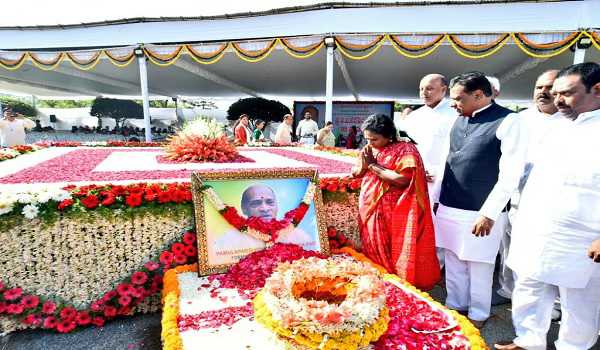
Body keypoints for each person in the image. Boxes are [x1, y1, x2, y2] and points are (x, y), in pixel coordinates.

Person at [495, 62, 600, 350]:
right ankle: (529, 340)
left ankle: (573, 347)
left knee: (578, 302)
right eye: (556, 94)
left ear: (597, 90)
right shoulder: (555, 127)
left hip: (582, 237)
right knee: (529, 288)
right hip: (537, 229)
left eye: (567, 93)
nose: (558, 101)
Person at [431, 71, 525, 328]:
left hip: (481, 210)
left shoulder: (509, 121)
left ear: (479, 95)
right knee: (453, 260)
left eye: (458, 99)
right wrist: (436, 198)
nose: (453, 104)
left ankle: (479, 314)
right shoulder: (457, 119)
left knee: (479, 265)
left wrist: (490, 213)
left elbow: (510, 173)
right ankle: (455, 306)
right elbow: (448, 160)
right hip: (450, 204)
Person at [352, 113, 440, 291]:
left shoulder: (406, 150)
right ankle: (376, 282)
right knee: (370, 245)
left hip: (393, 210)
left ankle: (393, 285)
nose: (370, 143)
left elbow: (402, 179)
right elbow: (356, 173)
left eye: (374, 139)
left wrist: (372, 166)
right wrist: (363, 165)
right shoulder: (370, 149)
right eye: (367, 138)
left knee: (391, 249)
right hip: (369, 205)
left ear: (389, 135)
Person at [497, 70, 560, 301]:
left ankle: (553, 303)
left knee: (548, 253)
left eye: (549, 87)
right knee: (510, 247)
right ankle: (508, 290)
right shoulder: (520, 118)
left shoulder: (572, 120)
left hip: (553, 202)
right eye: (539, 87)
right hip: (516, 197)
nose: (543, 92)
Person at [212, 184, 316, 260]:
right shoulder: (228, 240)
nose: (264, 208)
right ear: (244, 209)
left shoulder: (298, 235)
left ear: (277, 205)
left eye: (270, 202)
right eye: (256, 203)